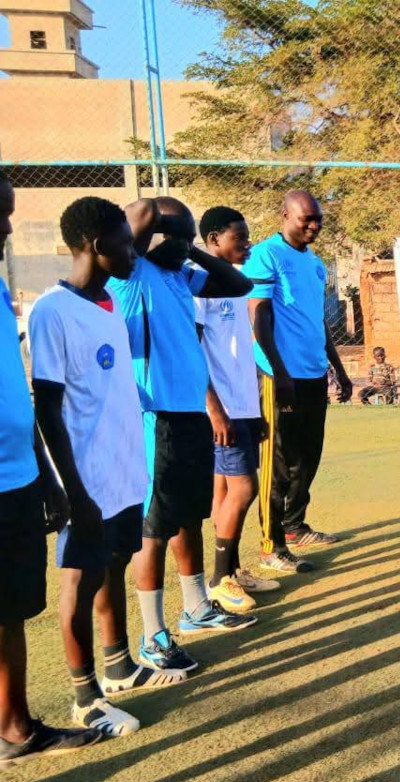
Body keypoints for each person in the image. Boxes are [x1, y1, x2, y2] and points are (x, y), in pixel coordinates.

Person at [31, 196, 193, 741]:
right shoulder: (54, 310)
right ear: (98, 245)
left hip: (125, 472)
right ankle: (86, 699)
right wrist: (71, 489)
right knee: (81, 580)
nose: (133, 252)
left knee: (113, 567)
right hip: (88, 479)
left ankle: (119, 665)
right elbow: (47, 408)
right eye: (126, 244)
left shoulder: (108, 304)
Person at [108, 196, 257, 675]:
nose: (185, 244)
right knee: (153, 529)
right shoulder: (131, 274)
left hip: (190, 415)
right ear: (150, 237)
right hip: (157, 417)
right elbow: (139, 212)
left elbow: (239, 283)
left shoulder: (179, 276)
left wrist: (188, 248)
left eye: (191, 236)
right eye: (178, 235)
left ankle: (195, 608)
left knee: (187, 518)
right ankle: (153, 636)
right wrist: (163, 228)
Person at [0, 179, 102, 782]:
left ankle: (16, 729)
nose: (8, 230)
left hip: (14, 477)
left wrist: (40, 471)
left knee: (10, 614)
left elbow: (16, 388)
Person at [245, 190, 352, 573]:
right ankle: (271, 546)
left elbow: (316, 319)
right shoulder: (266, 255)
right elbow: (258, 315)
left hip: (313, 374)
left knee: (308, 456)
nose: (314, 225)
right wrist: (278, 371)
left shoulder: (316, 263)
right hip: (279, 376)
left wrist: (338, 368)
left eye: (318, 219)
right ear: (285, 215)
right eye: (307, 218)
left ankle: (294, 526)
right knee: (279, 462)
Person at [196, 206, 279, 603]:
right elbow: (193, 353)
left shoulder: (234, 283)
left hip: (243, 405)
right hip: (223, 410)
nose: (247, 244)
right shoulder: (199, 284)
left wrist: (255, 409)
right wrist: (215, 410)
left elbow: (239, 352)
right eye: (239, 238)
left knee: (225, 491)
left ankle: (231, 571)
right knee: (244, 490)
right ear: (213, 240)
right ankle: (218, 580)